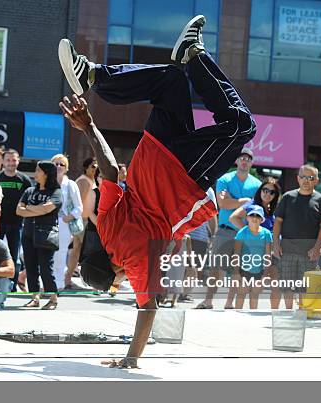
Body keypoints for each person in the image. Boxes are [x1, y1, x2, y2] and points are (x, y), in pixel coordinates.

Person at [58, 14, 255, 368]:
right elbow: (108, 170)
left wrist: (130, 358)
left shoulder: (134, 263)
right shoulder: (105, 226)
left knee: (241, 125)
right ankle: (95, 75)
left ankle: (195, 56)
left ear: (115, 271)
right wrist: (88, 125)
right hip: (150, 153)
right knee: (170, 81)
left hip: (183, 177)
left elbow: (147, 309)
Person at [196, 147, 261, 310]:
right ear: (237, 160)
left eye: (248, 159)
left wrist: (235, 200)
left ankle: (229, 303)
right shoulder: (224, 179)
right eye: (242, 158)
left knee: (237, 270)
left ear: (252, 163)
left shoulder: (257, 184)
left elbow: (256, 209)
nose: (245, 161)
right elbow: (223, 203)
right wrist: (246, 200)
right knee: (216, 268)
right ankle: (208, 300)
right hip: (224, 230)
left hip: (244, 232)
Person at [273, 165, 321, 310]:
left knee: (304, 287)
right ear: (297, 178)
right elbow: (278, 222)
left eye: (310, 178)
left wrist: (317, 248)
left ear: (316, 181)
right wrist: (275, 244)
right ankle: (288, 312)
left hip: (309, 253)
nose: (306, 181)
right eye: (303, 177)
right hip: (287, 250)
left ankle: (301, 313)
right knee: (287, 285)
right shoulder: (287, 197)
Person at [229, 177, 282, 308]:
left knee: (271, 285)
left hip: (269, 252)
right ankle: (233, 309)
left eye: (271, 192)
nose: (267, 193)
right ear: (260, 190)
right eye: (265, 190)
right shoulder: (252, 204)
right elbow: (233, 217)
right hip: (251, 252)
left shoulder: (272, 209)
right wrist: (251, 234)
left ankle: (272, 315)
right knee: (243, 287)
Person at [17, 161, 63, 310]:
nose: (35, 173)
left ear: (46, 173)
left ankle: (53, 299)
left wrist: (29, 208)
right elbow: (19, 210)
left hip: (46, 235)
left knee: (45, 268)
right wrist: (38, 209)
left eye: (38, 170)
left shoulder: (56, 192)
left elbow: (47, 209)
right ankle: (34, 297)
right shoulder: (30, 191)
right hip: (28, 234)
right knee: (30, 268)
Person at [0, 149, 33, 291]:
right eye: (8, 160)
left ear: (18, 161)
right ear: (3, 161)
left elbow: (31, 201)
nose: (11, 163)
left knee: (14, 256)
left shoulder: (24, 180)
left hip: (17, 223)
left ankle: (12, 285)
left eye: (14, 160)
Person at [50, 154, 83, 291]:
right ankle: (48, 282)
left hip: (63, 223)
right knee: (47, 254)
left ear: (66, 168)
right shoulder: (47, 182)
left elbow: (79, 207)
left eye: (61, 164)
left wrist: (69, 217)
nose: (58, 167)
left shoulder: (70, 185)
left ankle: (58, 284)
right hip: (46, 222)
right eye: (56, 164)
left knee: (60, 253)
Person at [233, 205, 273, 309]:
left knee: (254, 295)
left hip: (259, 270)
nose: (254, 218)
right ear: (247, 218)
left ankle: (253, 318)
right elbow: (236, 254)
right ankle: (237, 316)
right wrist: (236, 273)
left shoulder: (267, 233)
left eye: (258, 216)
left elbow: (268, 255)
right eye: (252, 215)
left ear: (262, 219)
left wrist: (265, 275)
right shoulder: (242, 232)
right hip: (243, 270)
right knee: (241, 293)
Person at [66, 157, 98, 281]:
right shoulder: (84, 181)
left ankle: (67, 279)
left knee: (76, 251)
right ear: (86, 167)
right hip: (83, 221)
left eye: (96, 167)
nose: (95, 169)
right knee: (88, 251)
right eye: (93, 166)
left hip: (84, 220)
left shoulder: (91, 180)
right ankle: (91, 281)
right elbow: (77, 203)